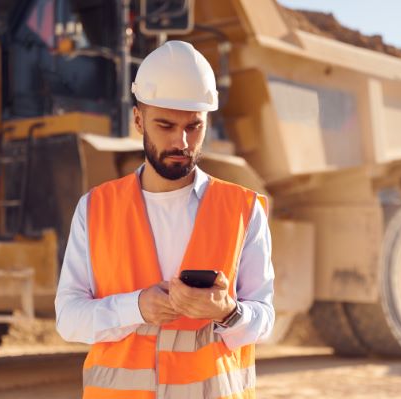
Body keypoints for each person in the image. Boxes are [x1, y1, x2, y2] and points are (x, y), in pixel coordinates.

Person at [55, 40, 275, 399]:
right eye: (166, 125)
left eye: (194, 126)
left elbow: (264, 320)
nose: (182, 141)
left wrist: (228, 312)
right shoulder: (96, 208)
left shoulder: (243, 209)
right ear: (139, 120)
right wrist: (136, 307)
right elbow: (68, 318)